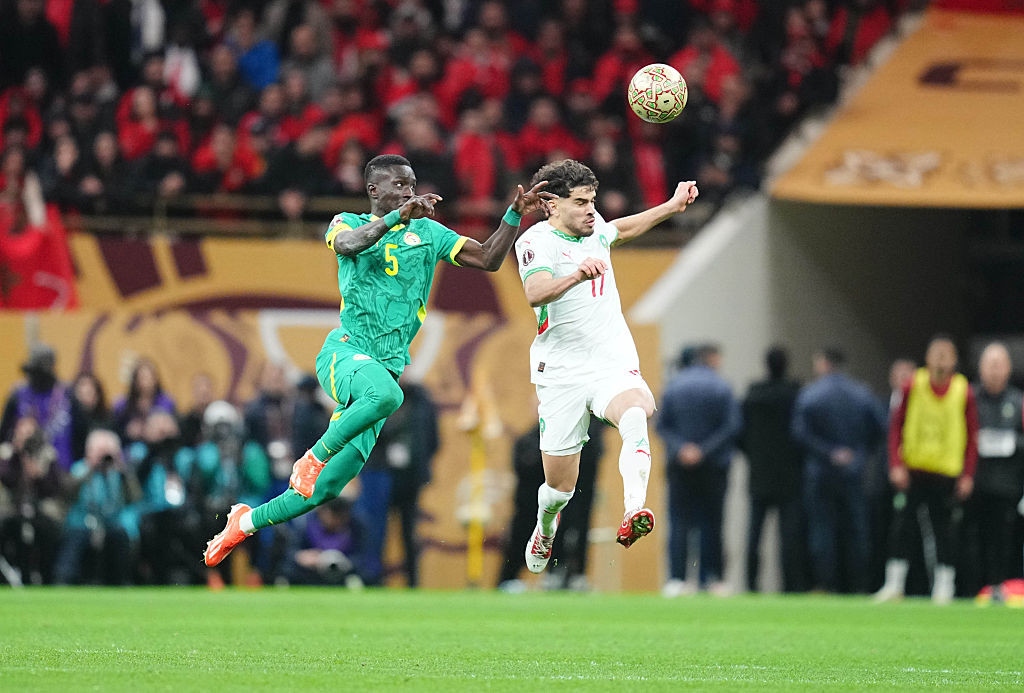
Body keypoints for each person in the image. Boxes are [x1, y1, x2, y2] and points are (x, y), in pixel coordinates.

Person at [204, 154, 554, 567]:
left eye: (411, 184)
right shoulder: (346, 223)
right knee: (387, 396)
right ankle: (312, 457)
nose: (408, 192)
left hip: (384, 372)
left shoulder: (430, 233)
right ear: (374, 190)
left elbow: (489, 259)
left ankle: (243, 524)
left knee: (326, 490)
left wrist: (513, 215)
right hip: (346, 354)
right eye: (399, 185)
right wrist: (396, 219)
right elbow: (350, 246)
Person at [512, 158, 699, 576]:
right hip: (561, 374)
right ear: (550, 204)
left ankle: (635, 509)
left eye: (592, 200)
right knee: (560, 488)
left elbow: (624, 227)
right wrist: (577, 275)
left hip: (611, 362)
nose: (590, 210)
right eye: (580, 202)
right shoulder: (536, 242)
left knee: (635, 410)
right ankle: (545, 527)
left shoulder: (596, 229)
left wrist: (670, 206)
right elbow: (535, 292)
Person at [875, 335, 978, 604]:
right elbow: (895, 426)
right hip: (914, 471)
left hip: (946, 473)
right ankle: (894, 584)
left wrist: (968, 474)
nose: (941, 360)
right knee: (902, 527)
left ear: (955, 360)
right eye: (936, 354)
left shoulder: (963, 390)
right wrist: (896, 464)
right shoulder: (913, 384)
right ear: (927, 358)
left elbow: (972, 435)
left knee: (944, 531)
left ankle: (944, 586)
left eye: (947, 354)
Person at [791, 347, 886, 593]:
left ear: (823, 364)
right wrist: (859, 453)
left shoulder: (810, 394)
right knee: (857, 529)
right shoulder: (862, 394)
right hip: (854, 472)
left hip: (820, 472)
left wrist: (828, 453)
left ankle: (826, 583)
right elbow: (880, 427)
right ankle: (858, 584)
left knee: (822, 530)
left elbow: (799, 434)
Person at [658, 343, 741, 596]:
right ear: (712, 359)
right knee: (712, 522)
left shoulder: (673, 385)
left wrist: (683, 448)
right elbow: (732, 426)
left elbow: (661, 425)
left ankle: (677, 579)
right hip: (713, 466)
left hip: (679, 465)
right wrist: (703, 450)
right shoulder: (722, 386)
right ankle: (710, 577)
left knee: (679, 522)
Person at [355, 381, 438, 587]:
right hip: (380, 473)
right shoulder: (376, 393)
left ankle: (412, 582)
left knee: (409, 533)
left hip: (410, 477)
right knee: (376, 530)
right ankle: (374, 579)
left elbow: (433, 439)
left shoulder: (421, 401)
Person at [740, 345, 806, 593]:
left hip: (759, 473)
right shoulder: (796, 395)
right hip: (789, 474)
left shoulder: (753, 395)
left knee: (754, 534)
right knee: (789, 535)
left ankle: (751, 584)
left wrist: (754, 456)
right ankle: (791, 585)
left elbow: (740, 433)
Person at [960, 342, 1023, 598]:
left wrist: (1008, 441)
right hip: (972, 483)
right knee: (969, 538)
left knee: (1001, 540)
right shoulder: (968, 397)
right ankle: (967, 589)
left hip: (1006, 485)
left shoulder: (1018, 401)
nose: (995, 371)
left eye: (999, 365)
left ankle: (997, 587)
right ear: (980, 368)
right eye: (990, 365)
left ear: (1008, 368)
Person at [1, 344, 75, 472]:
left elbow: (80, 433)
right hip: (23, 472)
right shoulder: (18, 395)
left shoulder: (67, 395)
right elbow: (4, 432)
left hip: (61, 470)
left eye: (37, 372)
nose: (33, 377)